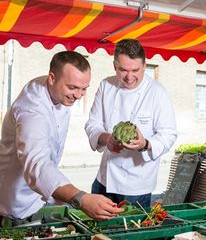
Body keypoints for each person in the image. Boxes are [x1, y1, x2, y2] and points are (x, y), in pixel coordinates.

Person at [0, 51, 123, 226]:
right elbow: (37, 165)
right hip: (14, 206)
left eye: (83, 89)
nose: (79, 95)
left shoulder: (56, 90)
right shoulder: (32, 110)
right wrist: (81, 198)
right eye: (72, 88)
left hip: (40, 199)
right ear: (52, 78)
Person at [85, 39, 177, 208]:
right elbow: (93, 124)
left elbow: (168, 134)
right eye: (123, 70)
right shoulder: (106, 85)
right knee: (97, 232)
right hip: (104, 179)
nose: (129, 77)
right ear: (114, 66)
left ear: (144, 66)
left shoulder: (157, 93)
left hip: (136, 185)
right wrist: (107, 139)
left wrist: (145, 144)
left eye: (135, 70)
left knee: (130, 232)